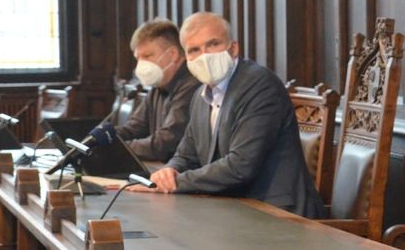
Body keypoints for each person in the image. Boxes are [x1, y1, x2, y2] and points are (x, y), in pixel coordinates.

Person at [131, 12, 325, 218]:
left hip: (280, 215)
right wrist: (167, 173)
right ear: (186, 57)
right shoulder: (200, 95)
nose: (204, 56)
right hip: (236, 209)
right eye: (194, 50)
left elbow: (240, 165)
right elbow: (186, 155)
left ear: (234, 48)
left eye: (213, 44)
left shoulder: (259, 86)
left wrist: (177, 182)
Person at [116, 19, 199, 162]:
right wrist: (100, 139)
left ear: (172, 54)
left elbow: (165, 144)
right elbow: (134, 128)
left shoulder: (192, 85)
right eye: (138, 58)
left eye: (148, 56)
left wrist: (117, 148)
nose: (141, 64)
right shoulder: (158, 85)